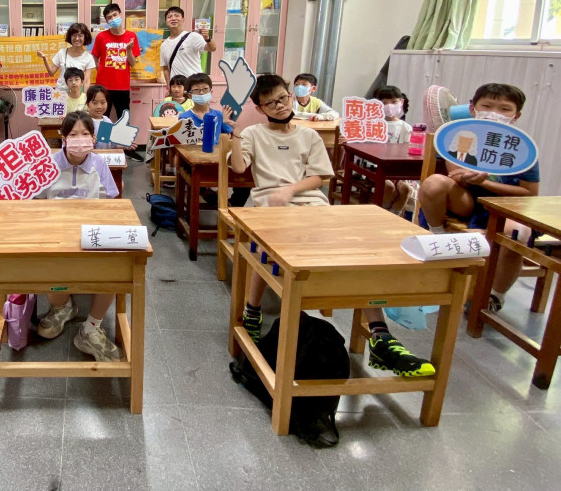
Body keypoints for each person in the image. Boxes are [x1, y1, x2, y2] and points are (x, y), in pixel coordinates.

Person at [227, 74, 435, 377]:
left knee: (354, 252)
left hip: (312, 205)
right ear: (260, 109)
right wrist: (236, 134)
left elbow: (319, 178)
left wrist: (291, 190)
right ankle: (252, 312)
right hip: (269, 207)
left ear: (290, 96)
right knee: (265, 245)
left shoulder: (308, 135)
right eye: (270, 103)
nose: (279, 105)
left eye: (282, 98)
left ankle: (380, 335)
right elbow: (238, 167)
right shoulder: (253, 134)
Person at [417, 83, 539, 313]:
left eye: (504, 109)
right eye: (487, 106)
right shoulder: (463, 136)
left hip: (505, 207)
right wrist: (470, 179)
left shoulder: (521, 148)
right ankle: (438, 237)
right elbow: (456, 174)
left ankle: (496, 295)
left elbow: (530, 193)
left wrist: (486, 183)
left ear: (516, 115)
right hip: (467, 200)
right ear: (472, 108)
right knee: (434, 183)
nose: (494, 113)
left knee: (518, 235)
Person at [36, 111, 121, 362]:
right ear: (63, 138)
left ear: (94, 138)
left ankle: (91, 328)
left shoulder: (99, 164)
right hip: (55, 234)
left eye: (85, 133)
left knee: (116, 266)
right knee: (46, 267)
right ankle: (62, 307)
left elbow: (111, 204)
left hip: (90, 234)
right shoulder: (48, 165)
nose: (80, 139)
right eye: (73, 134)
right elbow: (35, 205)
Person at [90, 4, 139, 122]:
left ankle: (123, 136)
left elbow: (133, 63)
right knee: (102, 118)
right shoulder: (101, 36)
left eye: (115, 15)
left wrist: (128, 50)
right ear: (106, 21)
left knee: (123, 120)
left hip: (122, 86)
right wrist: (100, 69)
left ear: (120, 15)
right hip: (103, 86)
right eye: (109, 17)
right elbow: (94, 56)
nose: (113, 19)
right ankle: (103, 135)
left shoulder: (131, 36)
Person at [373, 84, 414, 214]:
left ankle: (393, 215)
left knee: (406, 189)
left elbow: (407, 151)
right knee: (388, 186)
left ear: (401, 102)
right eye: (384, 103)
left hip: (396, 169)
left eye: (393, 102)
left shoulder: (405, 127)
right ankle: (382, 214)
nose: (389, 106)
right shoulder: (372, 124)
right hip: (374, 167)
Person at [160, 6, 215, 84]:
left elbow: (212, 48)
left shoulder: (193, 36)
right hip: (178, 87)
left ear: (183, 19)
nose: (173, 18)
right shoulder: (164, 45)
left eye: (177, 16)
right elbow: (165, 68)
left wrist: (207, 38)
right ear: (166, 21)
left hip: (195, 84)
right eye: (169, 17)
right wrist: (169, 87)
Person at [37, 22, 96, 91]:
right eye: (74, 35)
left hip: (77, 94)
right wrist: (44, 58)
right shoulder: (62, 53)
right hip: (60, 93)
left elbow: (86, 81)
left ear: (85, 37)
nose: (77, 38)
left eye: (80, 36)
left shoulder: (88, 58)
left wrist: (84, 96)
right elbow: (51, 73)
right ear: (70, 37)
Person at [85, 84, 115, 149]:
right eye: (95, 103)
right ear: (87, 104)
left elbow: (110, 145)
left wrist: (126, 146)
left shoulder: (106, 121)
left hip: (106, 155)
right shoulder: (84, 121)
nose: (99, 107)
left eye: (103, 102)